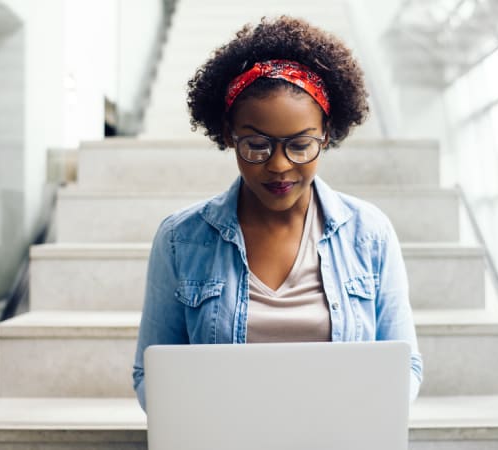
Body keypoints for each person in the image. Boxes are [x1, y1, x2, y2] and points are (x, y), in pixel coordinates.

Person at [133, 16, 422, 411]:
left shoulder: (369, 232)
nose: (280, 166)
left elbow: (406, 366)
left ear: (326, 134)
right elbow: (151, 374)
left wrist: (363, 417)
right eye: (257, 145)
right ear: (229, 134)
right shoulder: (180, 239)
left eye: (300, 145)